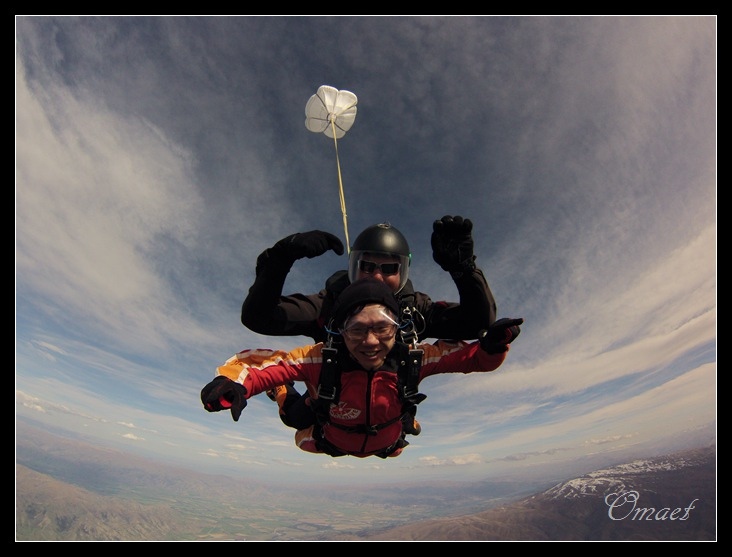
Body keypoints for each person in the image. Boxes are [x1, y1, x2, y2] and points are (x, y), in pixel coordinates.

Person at [202, 279, 523, 458]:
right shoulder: (320, 357)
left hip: (387, 442)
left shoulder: (412, 357)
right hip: (326, 440)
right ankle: (284, 393)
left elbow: (470, 359)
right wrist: (232, 384)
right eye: (356, 328)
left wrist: (492, 346)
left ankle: (401, 424)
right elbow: (260, 364)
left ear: (398, 328)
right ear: (339, 330)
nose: (370, 341)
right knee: (295, 424)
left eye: (383, 328)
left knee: (396, 443)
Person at [240, 217, 498, 434]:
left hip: (386, 404)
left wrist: (464, 271)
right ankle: (283, 391)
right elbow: (259, 317)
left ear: (403, 272)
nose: (377, 276)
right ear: (352, 267)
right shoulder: (330, 306)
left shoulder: (413, 310)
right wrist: (279, 259)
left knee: (397, 428)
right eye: (367, 266)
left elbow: (477, 323)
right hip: (330, 402)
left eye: (389, 268)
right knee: (297, 419)